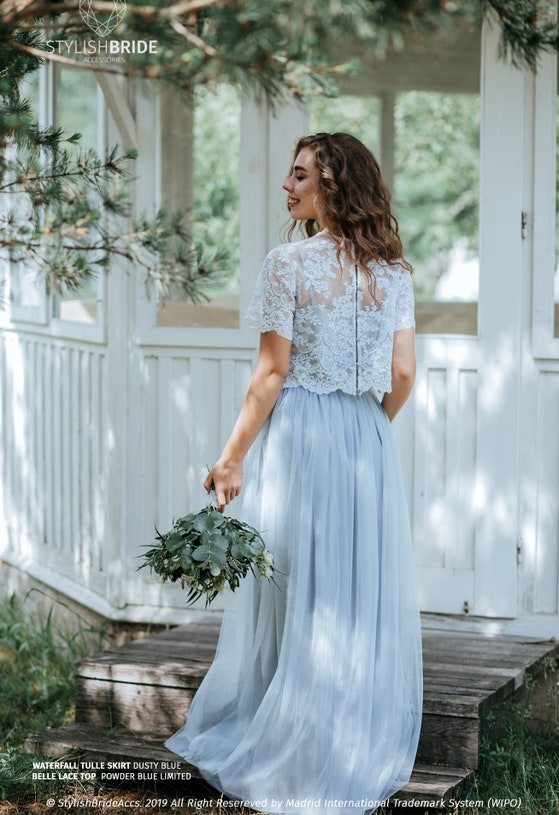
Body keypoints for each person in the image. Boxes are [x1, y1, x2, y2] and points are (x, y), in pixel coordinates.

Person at [165, 132, 423, 814]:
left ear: (332, 188)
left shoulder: (289, 264)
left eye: (301, 175)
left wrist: (231, 456)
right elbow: (402, 376)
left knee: (298, 583)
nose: (288, 185)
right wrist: (364, 427)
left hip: (302, 434)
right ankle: (344, 740)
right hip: (366, 436)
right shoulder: (395, 274)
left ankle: (290, 741)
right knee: (349, 588)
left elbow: (273, 374)